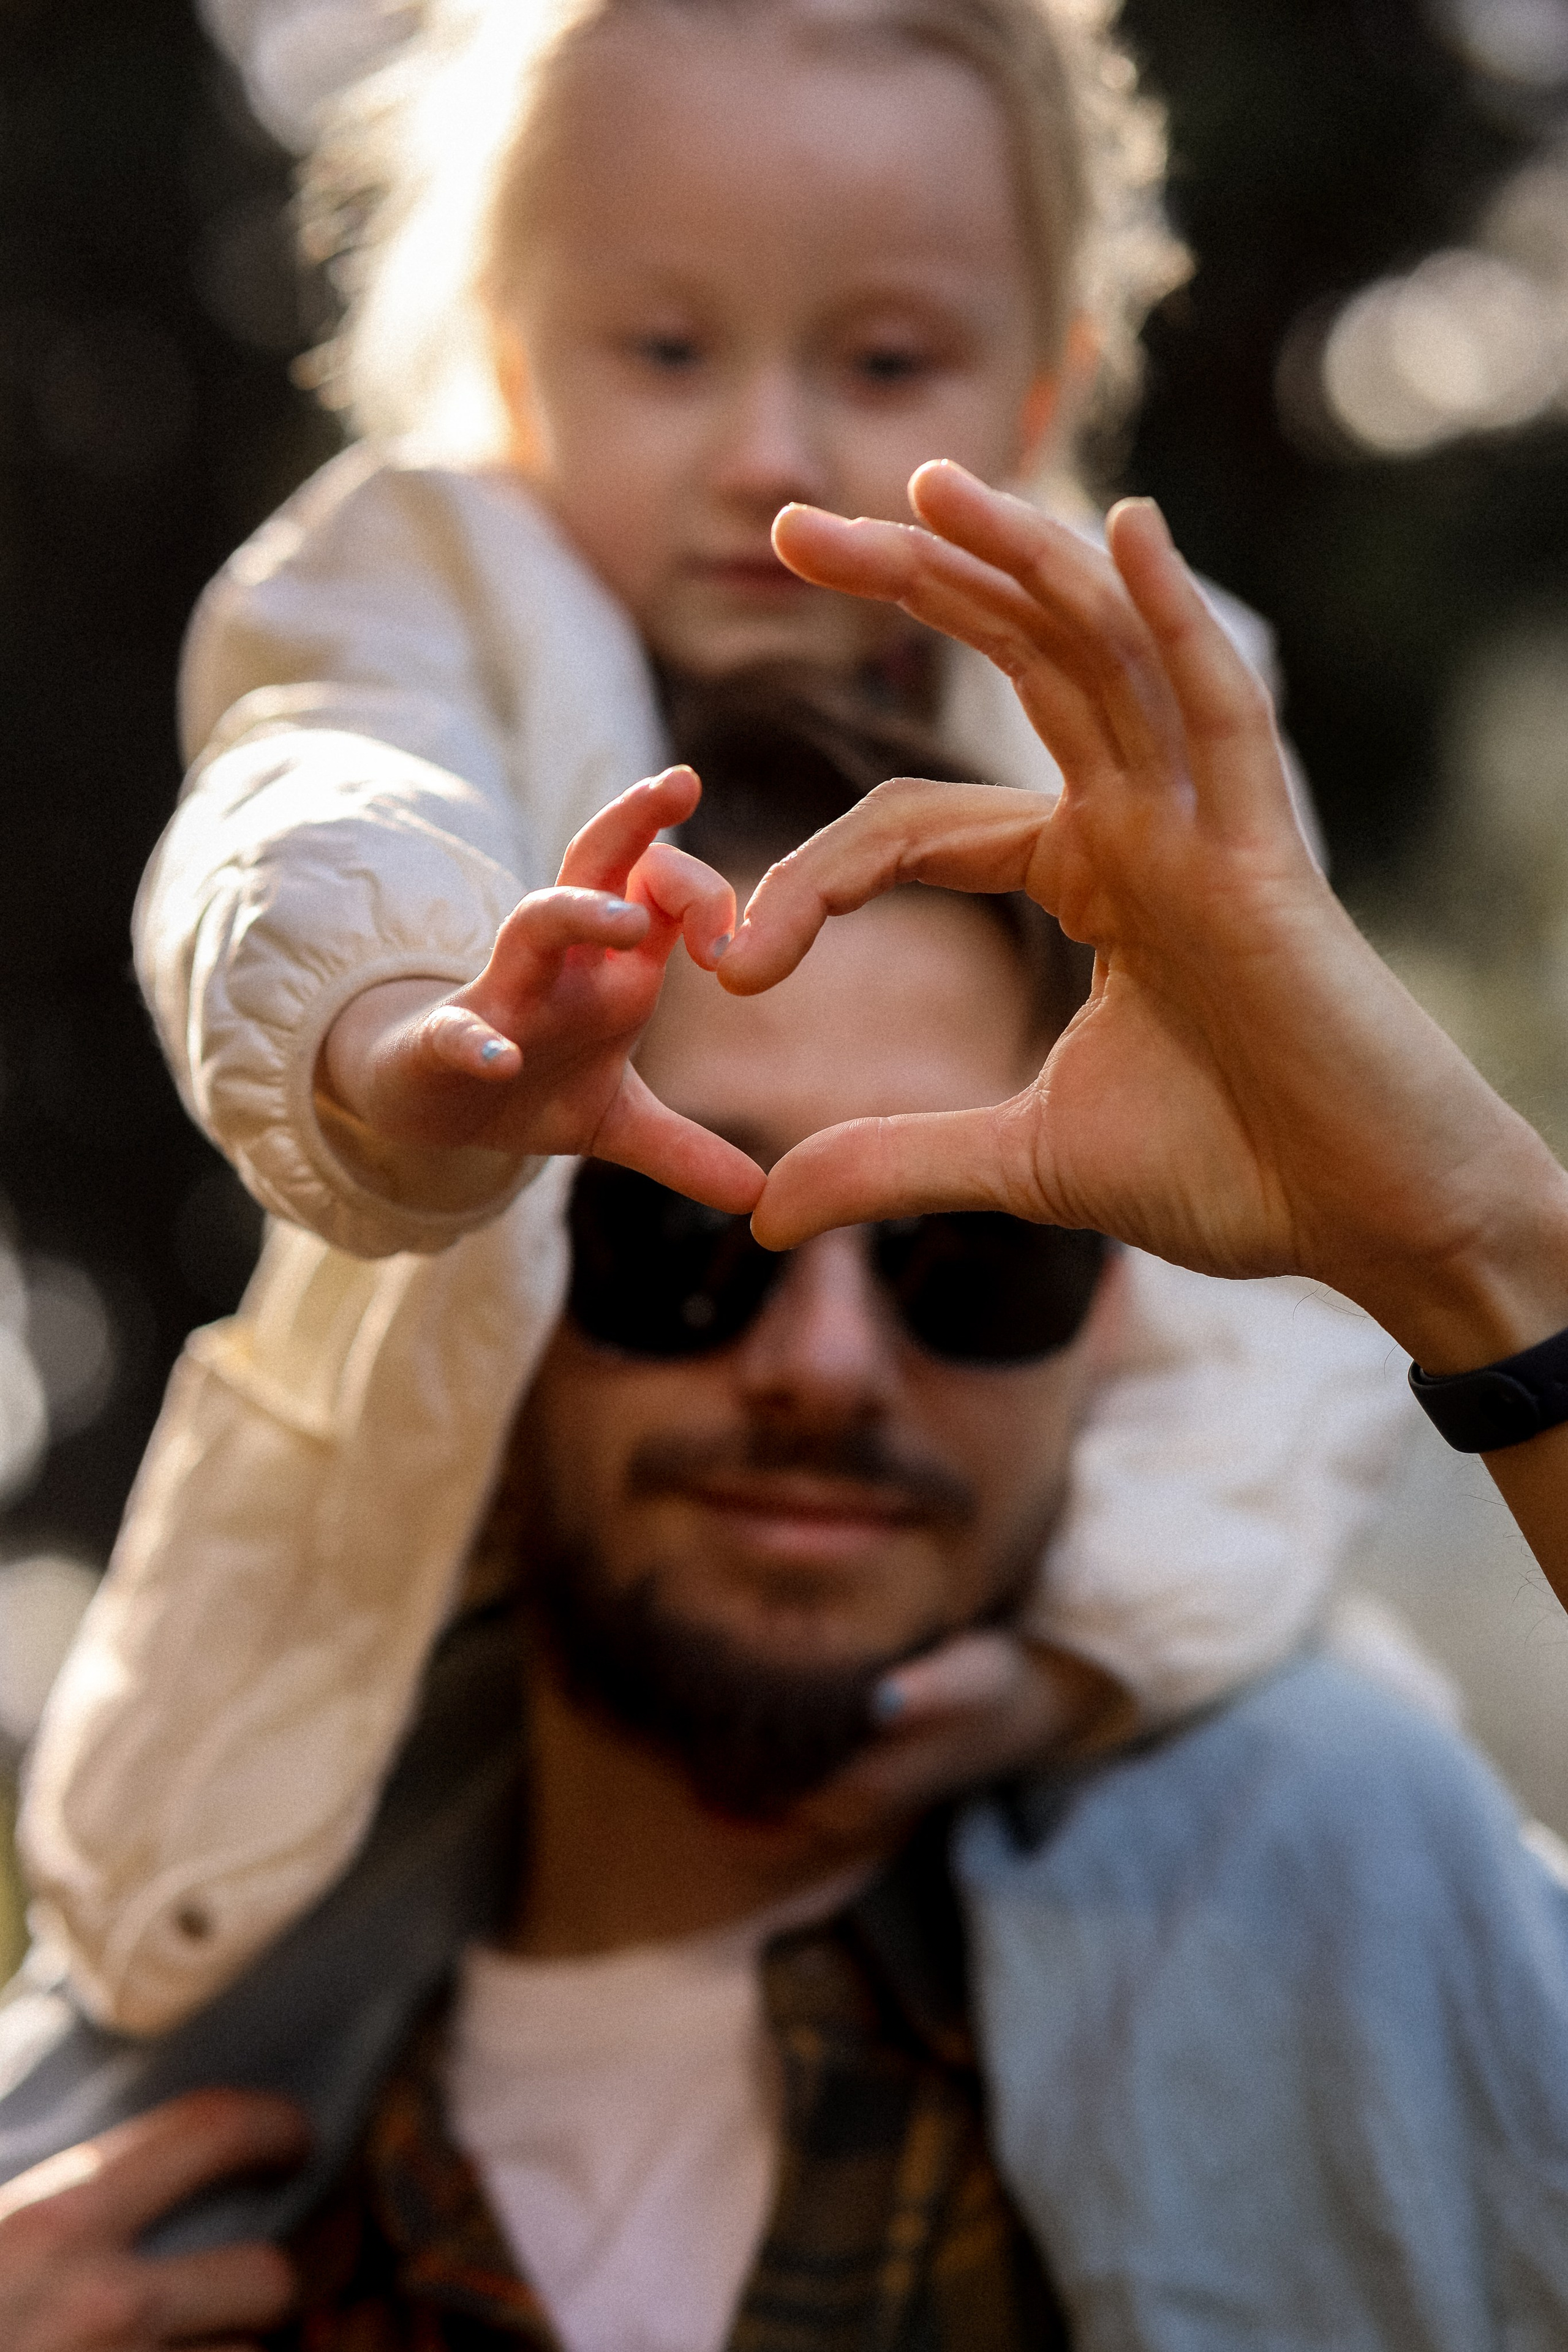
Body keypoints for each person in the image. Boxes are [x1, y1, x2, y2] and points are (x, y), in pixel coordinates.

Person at [8, 519, 1568, 2351]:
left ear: (1118, 1322)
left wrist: (1485, 1261)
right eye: (680, 1233)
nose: (826, 1365)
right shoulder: (106, 2206)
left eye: (980, 1255)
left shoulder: (1377, 1925)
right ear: (490, 1302)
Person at [13, 0, 1411, 2042]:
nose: (768, 453)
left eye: (883, 364)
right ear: (510, 364)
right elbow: (302, 806)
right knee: (188, 2047)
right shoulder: (429, 588)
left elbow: (1256, 1314)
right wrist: (415, 1037)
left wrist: (1094, 1656)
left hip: (996, 1627)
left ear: (1041, 390)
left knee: (1279, 1932)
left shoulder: (1118, 713)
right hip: (432, 1614)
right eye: (666, 353)